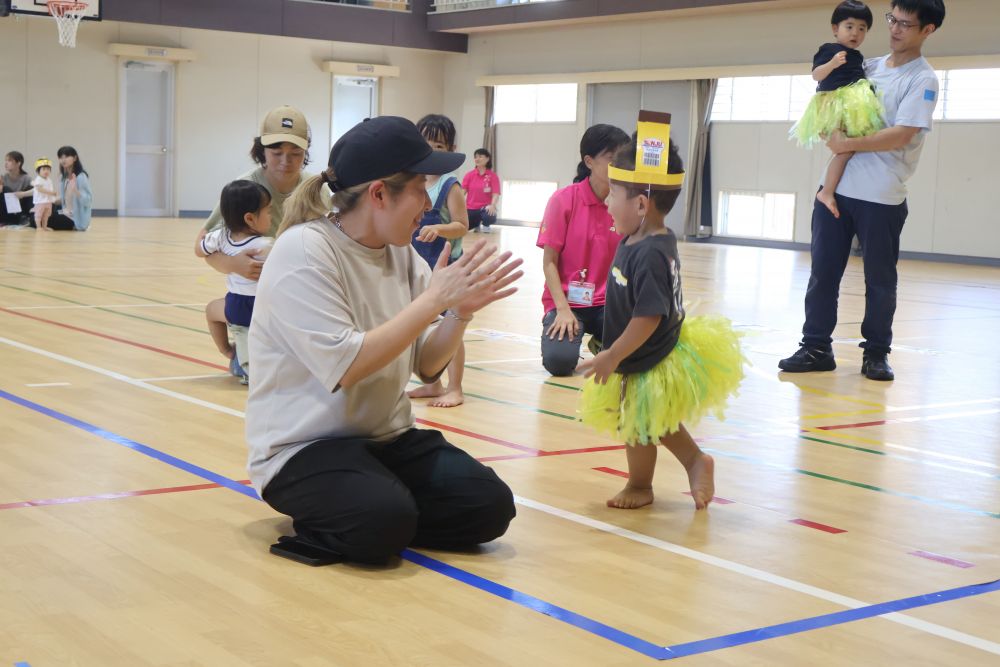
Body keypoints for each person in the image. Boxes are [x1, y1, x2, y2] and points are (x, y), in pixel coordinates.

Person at [246, 116, 524, 564]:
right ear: (379, 193)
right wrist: (434, 300)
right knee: (382, 522)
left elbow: (427, 366)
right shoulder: (304, 250)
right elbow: (347, 366)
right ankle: (375, 513)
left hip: (385, 439)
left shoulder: (401, 252)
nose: (426, 200)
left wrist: (459, 312)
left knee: (489, 507)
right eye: (418, 186)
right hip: (302, 448)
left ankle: (382, 509)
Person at [578, 111, 745, 510]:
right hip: (638, 348)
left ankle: (642, 484)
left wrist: (614, 354)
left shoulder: (651, 251)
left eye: (613, 194)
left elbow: (648, 316)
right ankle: (693, 462)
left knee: (640, 424)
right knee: (649, 422)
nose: (606, 202)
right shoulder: (640, 236)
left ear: (640, 203)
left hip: (647, 351)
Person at [779, 0, 945, 382]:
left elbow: (902, 134)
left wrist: (846, 143)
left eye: (905, 24)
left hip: (882, 196)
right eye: (892, 20)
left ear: (927, 30)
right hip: (835, 191)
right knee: (822, 273)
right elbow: (828, 104)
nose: (895, 29)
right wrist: (826, 131)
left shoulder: (923, 79)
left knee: (880, 280)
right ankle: (816, 346)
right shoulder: (864, 66)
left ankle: (876, 353)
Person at [537, 123, 630, 376]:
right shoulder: (563, 200)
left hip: (609, 304)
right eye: (612, 159)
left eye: (623, 159)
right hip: (567, 302)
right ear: (589, 161)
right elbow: (549, 262)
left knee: (634, 355)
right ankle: (567, 335)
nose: (619, 166)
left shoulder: (626, 203)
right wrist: (563, 310)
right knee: (559, 363)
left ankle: (602, 341)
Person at [199, 105, 317, 283]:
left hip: (302, 283)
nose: (286, 161)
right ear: (262, 150)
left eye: (296, 153)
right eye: (277, 153)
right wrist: (233, 264)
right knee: (214, 309)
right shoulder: (244, 189)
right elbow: (202, 246)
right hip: (256, 291)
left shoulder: (314, 188)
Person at [791, 1, 884, 219]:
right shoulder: (829, 50)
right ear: (835, 29)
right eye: (849, 26)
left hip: (851, 103)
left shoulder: (858, 56)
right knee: (843, 150)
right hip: (834, 103)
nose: (856, 33)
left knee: (847, 150)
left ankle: (830, 190)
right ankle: (827, 191)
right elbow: (816, 75)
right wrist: (832, 63)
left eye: (862, 28)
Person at [408, 114, 471, 408]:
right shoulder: (413, 179)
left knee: (450, 329)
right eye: (424, 144)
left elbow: (462, 224)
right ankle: (432, 384)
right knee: (422, 326)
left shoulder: (449, 184)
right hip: (417, 265)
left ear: (450, 148)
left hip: (445, 267)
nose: (430, 150)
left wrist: (439, 228)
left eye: (438, 145)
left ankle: (455, 387)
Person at [195, 180, 273, 384]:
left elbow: (198, 250)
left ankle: (228, 351)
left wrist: (205, 236)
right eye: (268, 212)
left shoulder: (220, 237)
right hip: (263, 308)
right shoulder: (265, 246)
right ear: (250, 218)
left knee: (212, 310)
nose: (271, 217)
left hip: (235, 307)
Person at [46, 146, 92, 231]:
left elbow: (88, 201)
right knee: (40, 213)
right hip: (65, 212)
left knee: (45, 219)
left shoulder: (81, 177)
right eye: (60, 157)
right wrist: (47, 201)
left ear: (75, 158)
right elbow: (64, 199)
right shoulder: (64, 178)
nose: (63, 160)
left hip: (75, 218)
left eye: (66, 157)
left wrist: (75, 190)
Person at [462, 148, 501, 233]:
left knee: (490, 216)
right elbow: (462, 192)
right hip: (471, 208)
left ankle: (486, 225)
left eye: (480, 156)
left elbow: (496, 193)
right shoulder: (469, 175)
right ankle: (476, 224)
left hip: (485, 208)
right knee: (466, 225)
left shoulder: (493, 176)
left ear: (487, 159)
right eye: (475, 157)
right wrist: (459, 205)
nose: (477, 159)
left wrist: (493, 205)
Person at [1, 151, 33, 225]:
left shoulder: (26, 178)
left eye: (9, 161)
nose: (6, 163)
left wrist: (22, 194)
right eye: (5, 160)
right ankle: (17, 218)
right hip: (7, 210)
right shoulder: (3, 178)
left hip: (22, 208)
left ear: (19, 163)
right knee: (5, 189)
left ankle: (27, 218)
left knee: (30, 188)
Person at [31, 158, 58, 232]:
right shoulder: (38, 179)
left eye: (48, 169)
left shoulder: (49, 179)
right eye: (43, 169)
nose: (46, 171)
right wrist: (52, 193)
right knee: (39, 214)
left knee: (46, 215)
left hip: (48, 201)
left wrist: (53, 196)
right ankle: (38, 227)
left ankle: (44, 226)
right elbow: (40, 189)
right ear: (38, 171)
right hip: (40, 201)